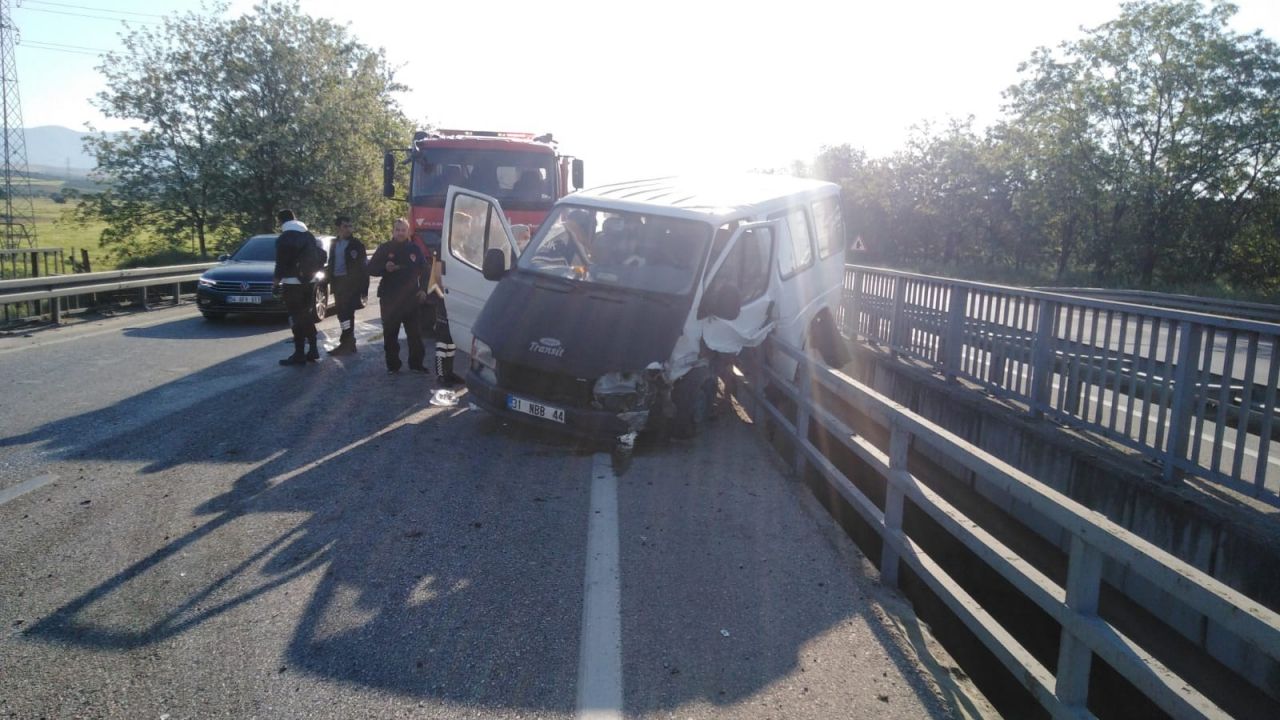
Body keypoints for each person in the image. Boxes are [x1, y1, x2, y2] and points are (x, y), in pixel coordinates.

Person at [367, 218, 426, 374]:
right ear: (393, 231)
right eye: (397, 230)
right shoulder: (385, 248)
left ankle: (416, 365)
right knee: (390, 334)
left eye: (403, 230)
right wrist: (384, 267)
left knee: (415, 334)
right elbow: (371, 268)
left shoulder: (415, 249)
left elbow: (425, 270)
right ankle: (393, 366)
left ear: (408, 232)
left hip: (411, 298)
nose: (400, 233)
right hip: (390, 298)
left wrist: (424, 289)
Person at [415, 212, 466, 388]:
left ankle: (449, 372)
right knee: (443, 337)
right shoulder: (443, 244)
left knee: (451, 339)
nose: (467, 229)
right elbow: (437, 273)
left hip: (455, 295)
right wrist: (446, 294)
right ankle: (441, 374)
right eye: (465, 225)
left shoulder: (459, 245)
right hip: (445, 295)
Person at [272, 209, 326, 366]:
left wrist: (275, 283)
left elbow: (280, 264)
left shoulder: (285, 237)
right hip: (309, 281)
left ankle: (299, 353)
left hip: (292, 284)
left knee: (296, 318)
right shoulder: (308, 235)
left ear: (280, 221)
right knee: (306, 316)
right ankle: (313, 349)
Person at [325, 216, 368, 355]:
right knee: (341, 314)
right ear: (338, 228)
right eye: (345, 226)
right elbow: (331, 262)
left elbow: (363, 268)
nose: (349, 229)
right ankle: (348, 340)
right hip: (338, 283)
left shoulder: (356, 245)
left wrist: (363, 290)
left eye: (350, 226)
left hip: (350, 285)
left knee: (347, 314)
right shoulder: (334, 243)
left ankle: (347, 342)